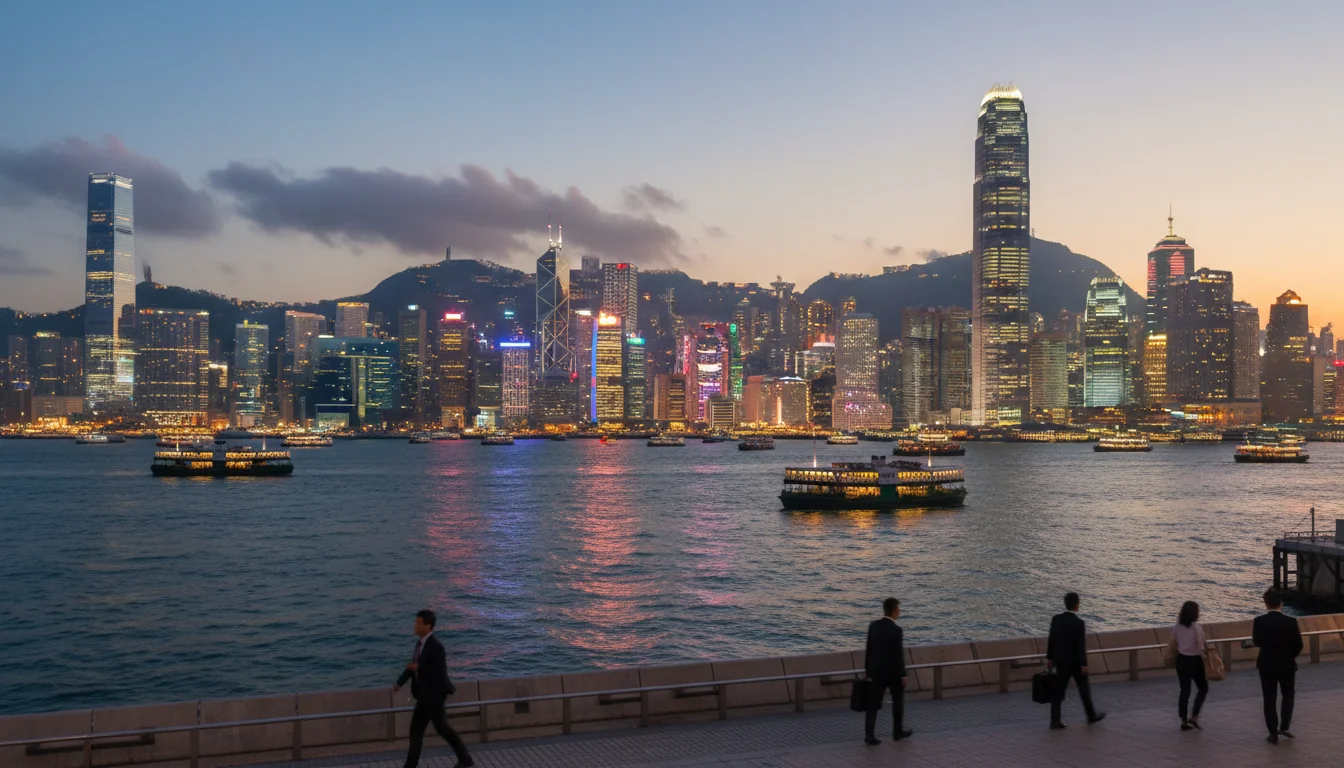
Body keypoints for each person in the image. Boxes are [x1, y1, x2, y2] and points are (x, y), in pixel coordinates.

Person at [392, 610, 473, 768]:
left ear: (428, 626)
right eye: (416, 622)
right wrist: (399, 683)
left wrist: (419, 668)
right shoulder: (420, 644)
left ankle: (465, 759)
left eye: (419, 623)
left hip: (434, 697)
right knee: (433, 729)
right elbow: (413, 666)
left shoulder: (436, 646)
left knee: (428, 730)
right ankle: (465, 758)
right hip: (424, 697)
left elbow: (439, 672)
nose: (415, 625)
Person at [1045, 592, 1106, 729]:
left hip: (1060, 661)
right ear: (1077, 605)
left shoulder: (1056, 619)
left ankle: (1054, 721)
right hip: (1075, 663)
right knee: (1083, 689)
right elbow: (1080, 646)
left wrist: (1050, 658)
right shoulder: (1079, 623)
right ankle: (1091, 715)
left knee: (1058, 691)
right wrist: (1084, 664)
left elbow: (1052, 640)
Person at [1253, 588, 1303, 744]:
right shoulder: (1291, 622)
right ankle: (1285, 726)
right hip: (1287, 664)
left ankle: (1272, 733)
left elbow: (1257, 642)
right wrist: (1289, 656)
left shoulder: (1259, 621)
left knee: (1269, 698)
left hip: (1266, 665)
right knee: (1288, 695)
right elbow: (1298, 645)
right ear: (1281, 603)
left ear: (1266, 603)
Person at [864, 597, 912, 744]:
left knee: (872, 705)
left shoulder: (873, 626)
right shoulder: (896, 630)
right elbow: (898, 654)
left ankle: (869, 735)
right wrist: (903, 674)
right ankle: (897, 732)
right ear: (895, 610)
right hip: (893, 673)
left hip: (876, 671)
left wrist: (868, 670)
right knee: (897, 702)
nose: (899, 612)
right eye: (898, 609)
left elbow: (869, 649)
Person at [1170, 601, 1209, 730]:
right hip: (1195, 661)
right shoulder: (1196, 628)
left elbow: (1174, 641)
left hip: (1181, 660)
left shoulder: (1177, 626)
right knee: (1203, 688)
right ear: (1195, 614)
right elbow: (1201, 646)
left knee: (1184, 691)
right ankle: (1194, 716)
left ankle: (1183, 721)